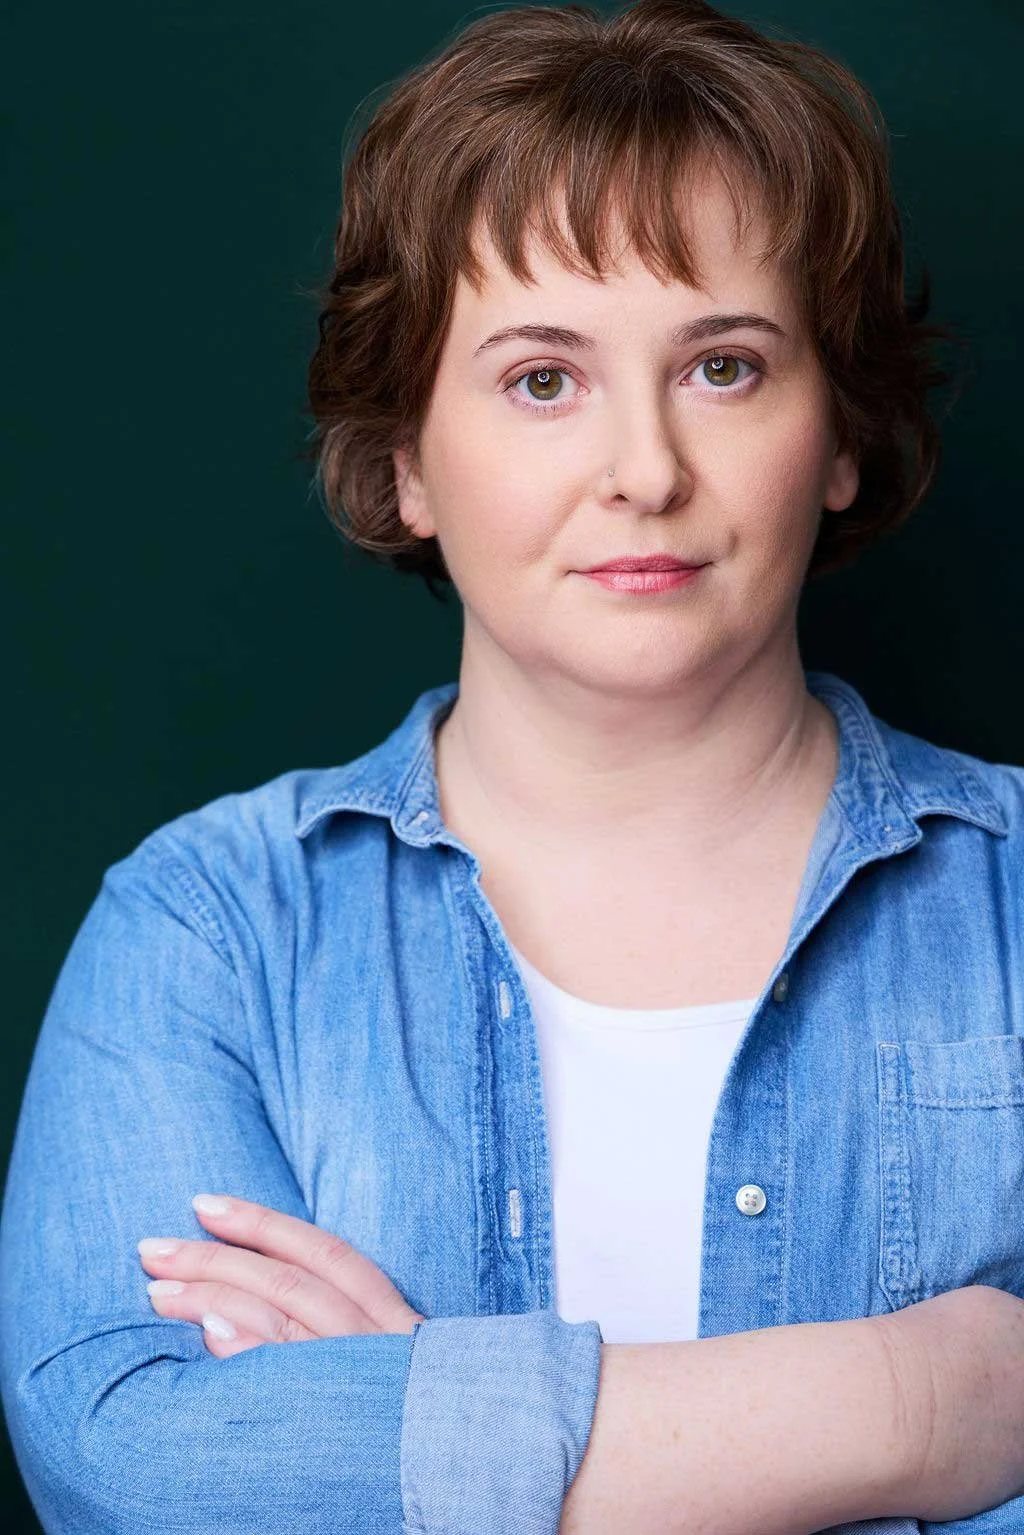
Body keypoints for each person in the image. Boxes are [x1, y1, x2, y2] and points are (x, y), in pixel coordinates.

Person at [2, 0, 1023, 1531]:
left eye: (725, 366)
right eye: (543, 378)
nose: (645, 470)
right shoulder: (209, 928)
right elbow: (137, 1459)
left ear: (840, 434)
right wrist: (931, 1402)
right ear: (404, 458)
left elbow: (276, 1485)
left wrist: (409, 1427)